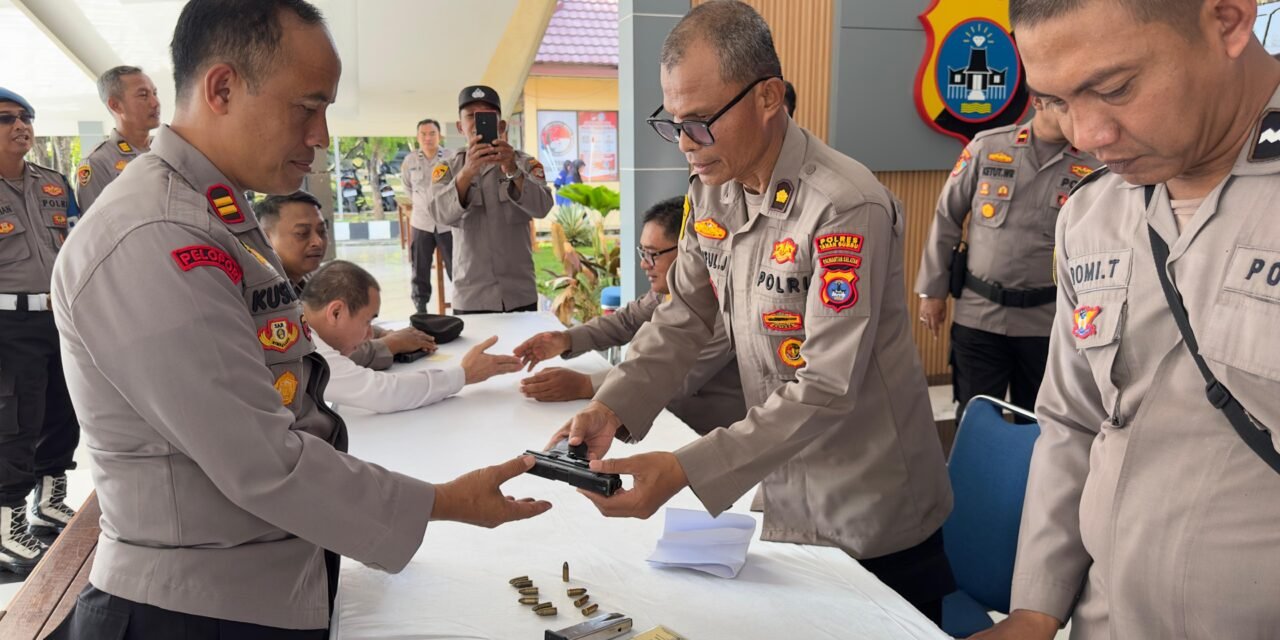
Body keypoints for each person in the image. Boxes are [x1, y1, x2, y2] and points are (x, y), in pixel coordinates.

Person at [48, 2, 549, 636]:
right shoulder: (156, 233)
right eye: (307, 107)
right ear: (223, 88)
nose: (322, 137)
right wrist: (445, 501)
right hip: (191, 611)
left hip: (253, 581)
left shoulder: (215, 213)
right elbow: (262, 461)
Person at [547, 1, 953, 623]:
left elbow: (823, 388)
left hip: (868, 513)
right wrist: (614, 406)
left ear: (768, 98)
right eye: (674, 122)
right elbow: (681, 317)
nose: (686, 144)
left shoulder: (844, 207)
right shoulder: (712, 187)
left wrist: (685, 468)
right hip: (780, 493)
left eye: (702, 121)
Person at [972, 0, 1280, 638]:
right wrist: (1036, 604)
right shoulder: (1093, 216)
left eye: (1115, 88)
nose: (1086, 136)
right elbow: (1072, 423)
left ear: (1226, 20)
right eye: (1056, 101)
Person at [916, 102, 1101, 420]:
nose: (1074, 111)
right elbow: (948, 217)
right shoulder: (988, 146)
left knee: (1040, 422)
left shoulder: (1093, 162)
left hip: (1047, 322)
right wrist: (932, 292)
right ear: (1039, 101)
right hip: (979, 316)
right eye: (1063, 102)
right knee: (975, 416)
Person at [514, 196, 746, 436]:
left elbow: (675, 375)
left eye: (653, 254)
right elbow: (625, 320)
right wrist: (565, 340)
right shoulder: (671, 291)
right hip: (665, 422)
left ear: (689, 252)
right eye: (642, 253)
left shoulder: (724, 305)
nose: (645, 264)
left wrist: (586, 385)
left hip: (710, 436)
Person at [0, 88, 80, 576]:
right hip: (6, 325)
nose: (21, 125)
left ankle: (49, 503)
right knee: (15, 423)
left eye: (26, 117)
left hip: (59, 318)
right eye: (7, 118)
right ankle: (6, 527)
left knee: (63, 411)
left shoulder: (54, 184)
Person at [302, 260, 522, 413]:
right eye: (367, 321)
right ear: (336, 312)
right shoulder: (305, 348)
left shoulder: (295, 322)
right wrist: (464, 374)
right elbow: (384, 393)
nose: (369, 334)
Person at [257, 190, 435, 370]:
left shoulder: (309, 277)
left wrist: (386, 334)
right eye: (302, 233)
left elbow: (345, 323)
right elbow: (323, 355)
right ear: (265, 238)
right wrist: (392, 344)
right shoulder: (263, 298)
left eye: (321, 231)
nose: (317, 242)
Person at [426, 85, 553, 314]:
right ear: (460, 126)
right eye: (470, 116)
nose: (477, 123)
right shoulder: (448, 168)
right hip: (472, 295)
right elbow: (439, 214)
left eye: (485, 115)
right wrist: (467, 173)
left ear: (501, 125)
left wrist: (511, 169)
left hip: (519, 293)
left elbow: (543, 207)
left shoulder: (524, 163)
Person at [75, 66, 161, 213]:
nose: (155, 103)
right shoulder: (97, 162)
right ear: (115, 105)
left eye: (154, 93)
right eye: (143, 95)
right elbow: (97, 225)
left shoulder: (166, 150)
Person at [401, 118, 453, 312]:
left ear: (439, 136)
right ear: (418, 137)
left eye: (432, 133)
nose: (428, 138)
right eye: (423, 134)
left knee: (456, 266)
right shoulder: (410, 160)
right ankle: (421, 307)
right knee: (420, 267)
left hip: (447, 222)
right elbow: (407, 187)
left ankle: (462, 302)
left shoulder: (450, 157)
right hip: (421, 223)